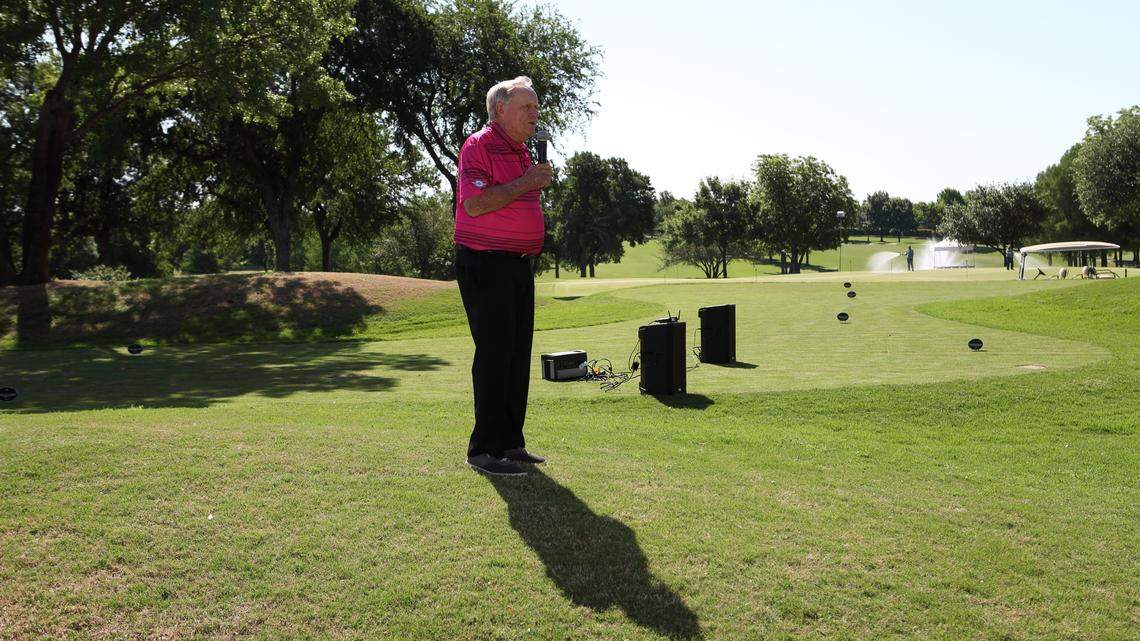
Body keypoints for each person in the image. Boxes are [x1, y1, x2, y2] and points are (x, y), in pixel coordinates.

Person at [453, 76, 552, 476]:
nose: (535, 114)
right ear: (500, 110)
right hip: (485, 262)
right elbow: (475, 203)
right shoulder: (478, 145)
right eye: (527, 107)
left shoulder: (522, 152)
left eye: (536, 107)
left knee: (516, 354)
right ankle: (483, 450)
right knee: (495, 354)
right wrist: (528, 182)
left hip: (517, 264)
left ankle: (511, 443)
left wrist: (529, 179)